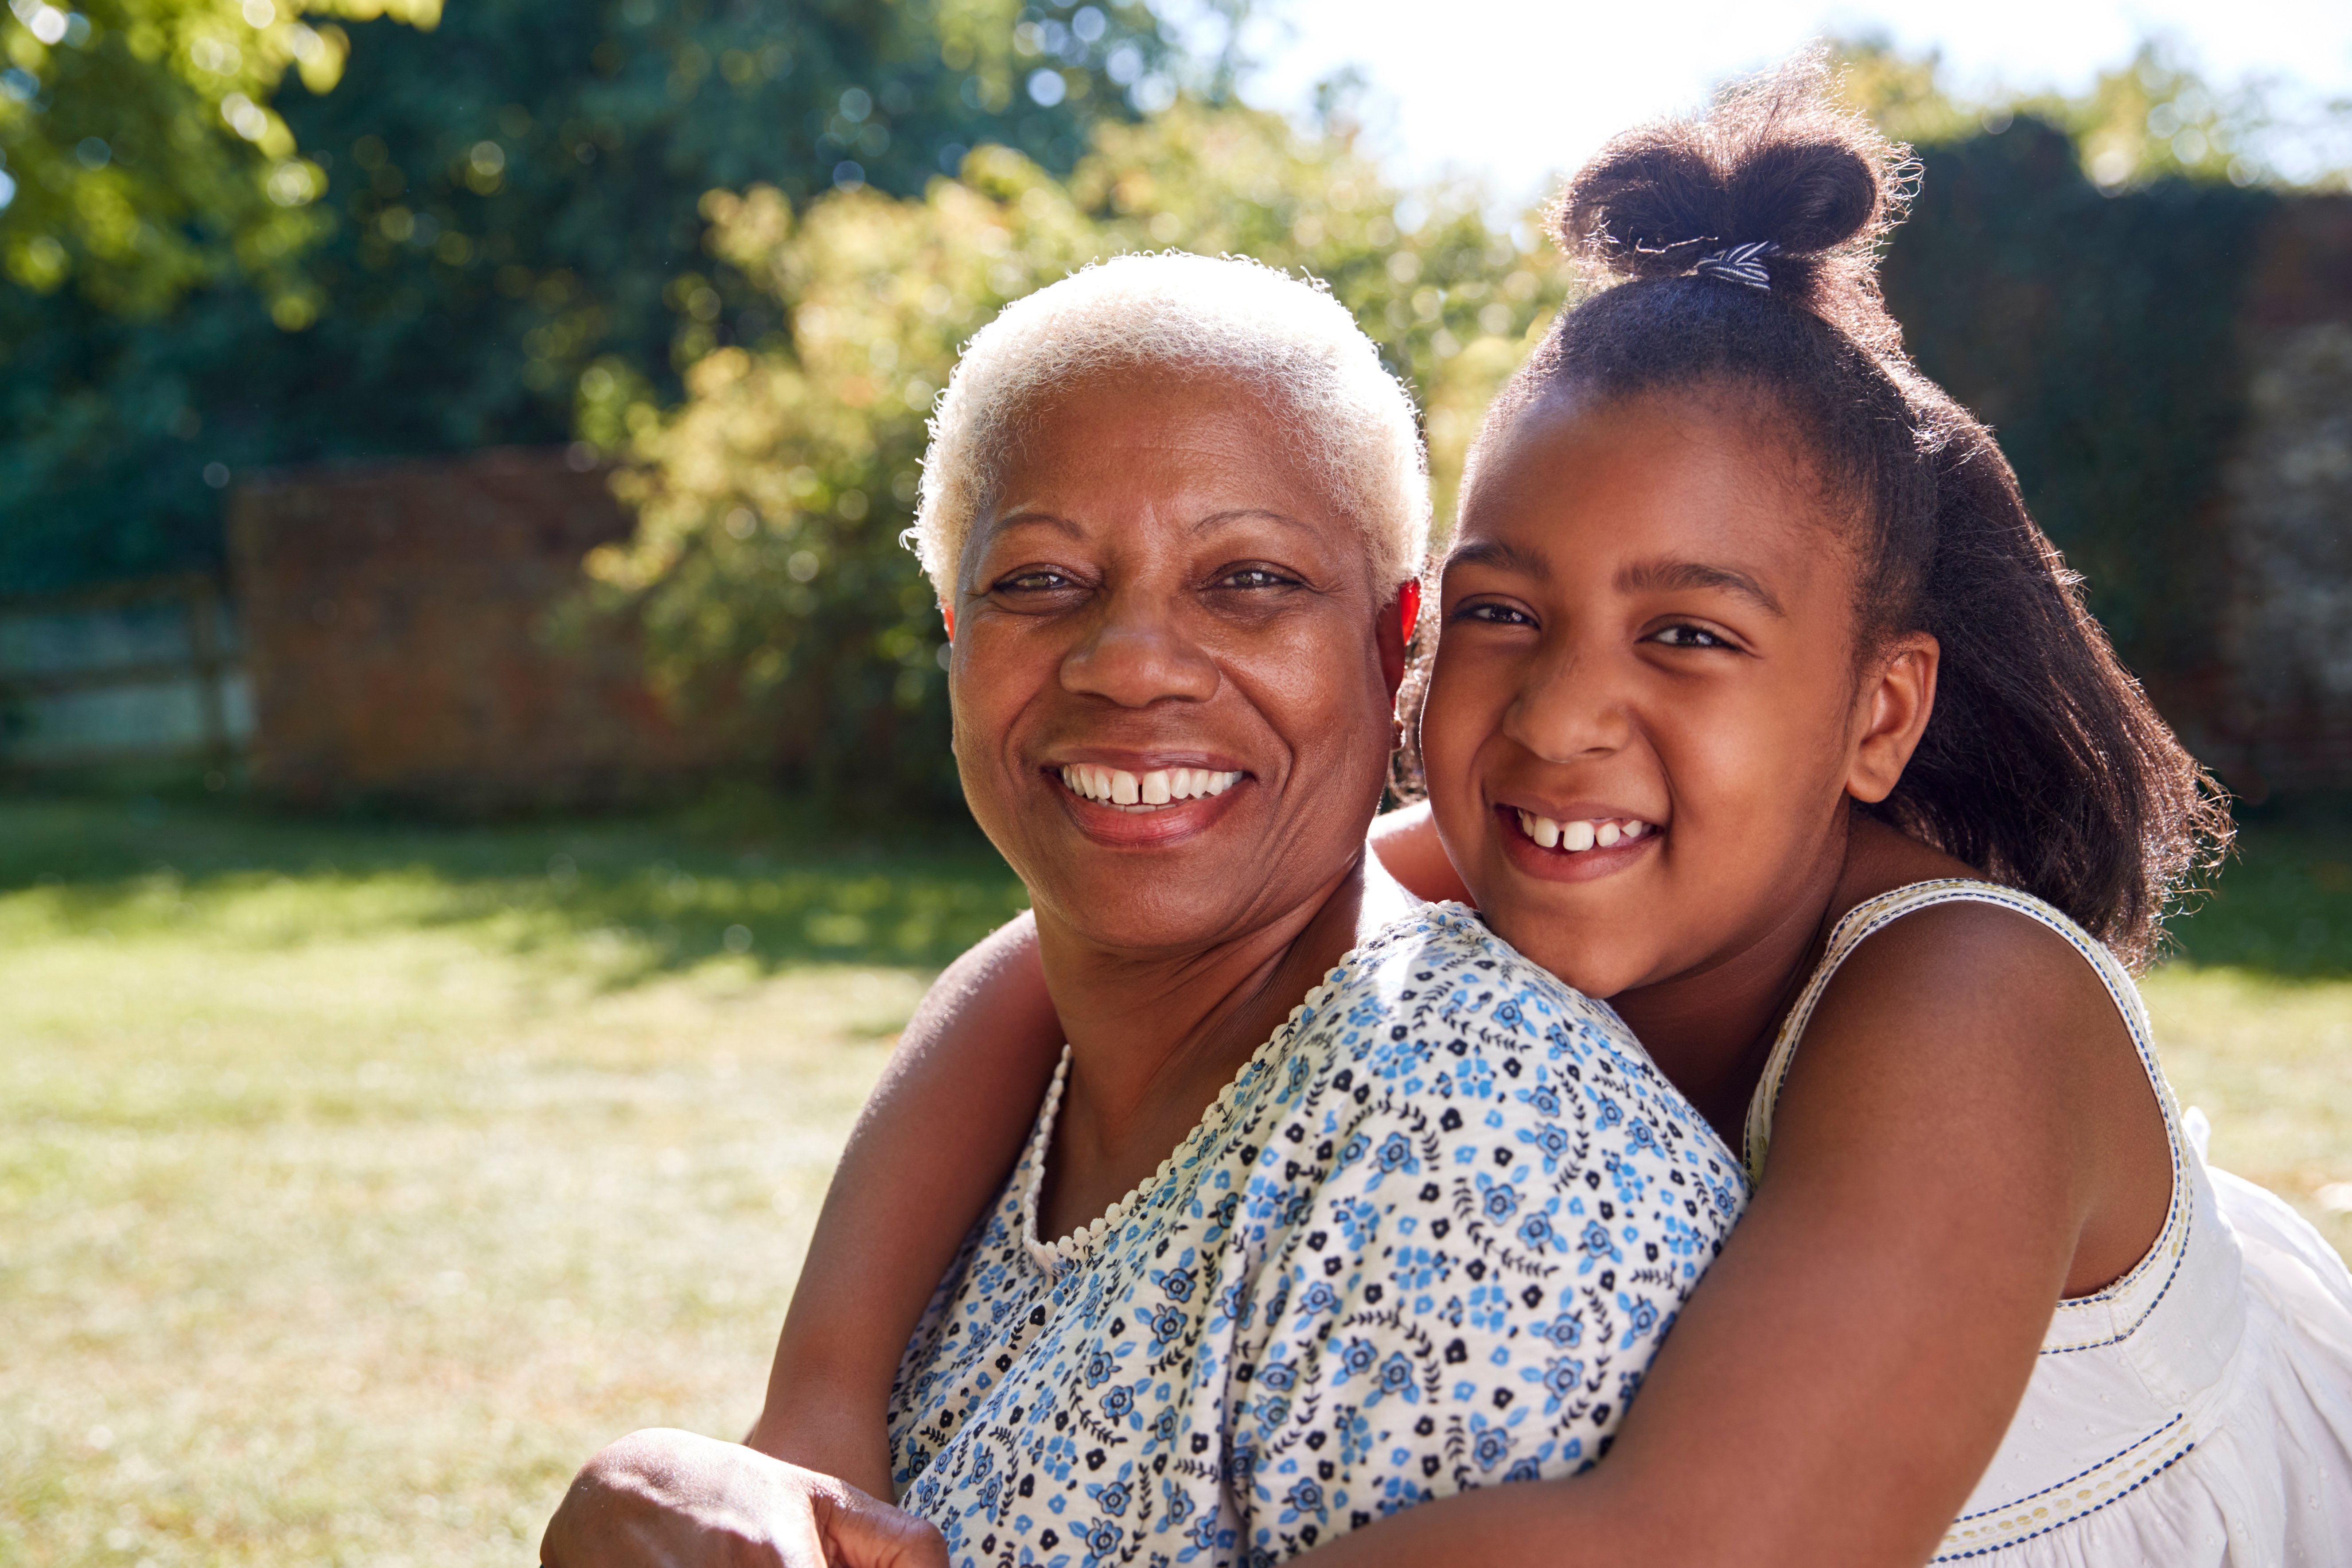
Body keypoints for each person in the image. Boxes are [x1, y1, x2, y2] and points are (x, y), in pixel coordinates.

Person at [665, 59, 2352, 1566]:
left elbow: (1687, 1543)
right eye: (1502, 612)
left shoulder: (1966, 1002)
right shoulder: (1518, 850)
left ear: (1877, 711)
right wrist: (818, 1407)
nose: (1558, 716)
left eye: (1686, 635)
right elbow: (1031, 971)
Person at [542, 253, 1744, 1568]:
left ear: (1396, 642)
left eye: (1249, 580)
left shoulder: (1467, 1148)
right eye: (1041, 581)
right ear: (953, 626)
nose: (1129, 665)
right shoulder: (1030, 1078)